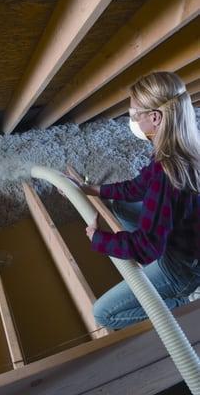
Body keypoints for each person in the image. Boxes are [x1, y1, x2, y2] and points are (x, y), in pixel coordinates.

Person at [65, 71, 200, 330]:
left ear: (155, 118)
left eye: (135, 115)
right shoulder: (181, 146)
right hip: (187, 242)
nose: (133, 120)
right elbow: (138, 187)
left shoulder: (167, 174)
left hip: (181, 268)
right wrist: (90, 189)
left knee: (104, 314)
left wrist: (99, 239)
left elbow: (147, 248)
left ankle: (184, 303)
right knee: (121, 205)